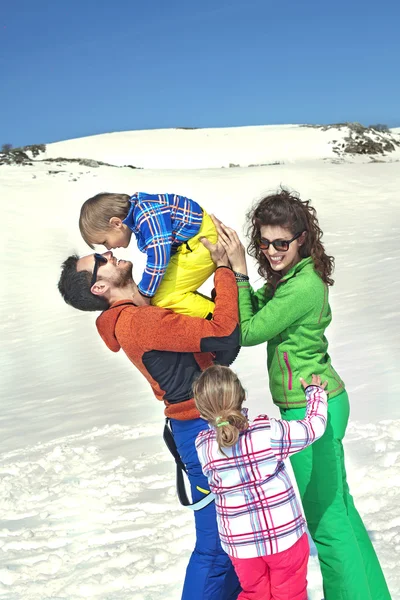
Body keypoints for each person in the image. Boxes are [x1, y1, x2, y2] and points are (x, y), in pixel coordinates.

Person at [213, 189, 392, 600]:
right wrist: (239, 278)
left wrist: (239, 272)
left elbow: (252, 331)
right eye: (264, 242)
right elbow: (255, 308)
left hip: (311, 409)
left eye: (281, 242)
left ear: (301, 240)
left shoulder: (303, 285)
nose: (272, 251)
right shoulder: (289, 279)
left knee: (327, 525)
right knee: (340, 513)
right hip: (317, 402)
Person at [57, 238, 241, 600]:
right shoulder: (140, 323)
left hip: (205, 425)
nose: (109, 253)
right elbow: (224, 335)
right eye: (100, 260)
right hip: (201, 431)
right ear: (100, 287)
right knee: (217, 545)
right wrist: (225, 271)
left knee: (236, 539)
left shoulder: (142, 312)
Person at [194, 365, 328, 600]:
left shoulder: (203, 446)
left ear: (201, 409)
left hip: (240, 546)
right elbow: (313, 428)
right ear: (242, 395)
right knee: (289, 594)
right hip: (283, 536)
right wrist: (315, 393)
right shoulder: (266, 432)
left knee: (254, 594)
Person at [79, 191, 217, 318]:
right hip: (193, 243)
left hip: (202, 242)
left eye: (105, 241)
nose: (109, 248)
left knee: (162, 296)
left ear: (116, 223)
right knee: (165, 291)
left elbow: (159, 256)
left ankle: (222, 320)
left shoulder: (146, 214)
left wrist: (144, 293)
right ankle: (213, 312)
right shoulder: (141, 211)